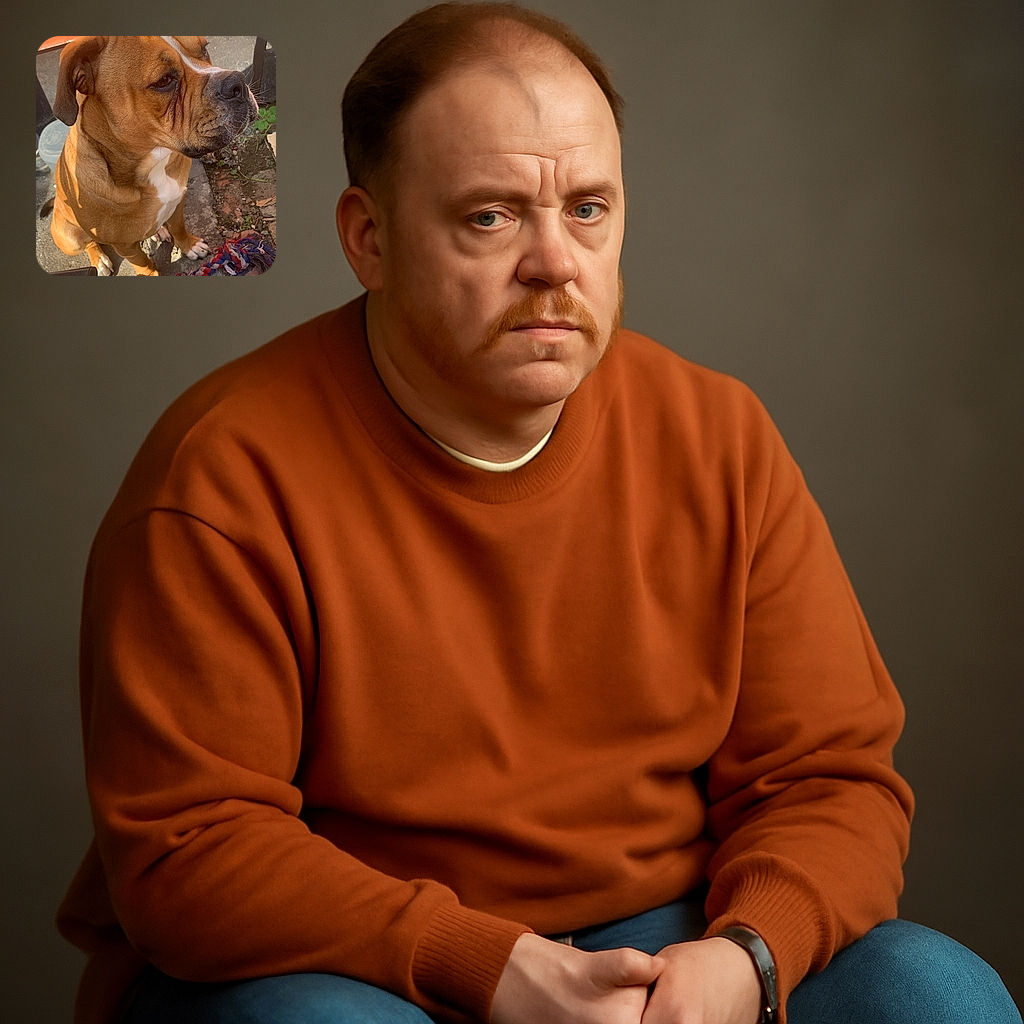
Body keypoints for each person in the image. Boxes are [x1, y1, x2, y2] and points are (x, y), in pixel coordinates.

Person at [57, 4, 1021, 1024]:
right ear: (368, 239)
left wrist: (747, 956)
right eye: (491, 215)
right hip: (351, 963)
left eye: (589, 208)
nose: (555, 263)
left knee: (937, 994)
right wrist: (490, 964)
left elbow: (830, 778)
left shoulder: (717, 434)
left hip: (672, 942)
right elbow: (190, 850)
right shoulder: (221, 476)